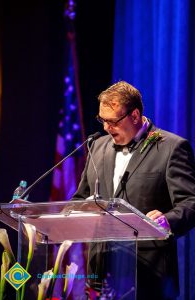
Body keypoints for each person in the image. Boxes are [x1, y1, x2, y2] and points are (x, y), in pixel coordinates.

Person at [72, 81, 195, 300]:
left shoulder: (171, 148)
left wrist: (167, 220)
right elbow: (81, 197)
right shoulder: (98, 145)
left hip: (149, 273)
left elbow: (190, 203)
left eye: (112, 121)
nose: (106, 128)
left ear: (135, 115)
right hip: (100, 270)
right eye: (102, 120)